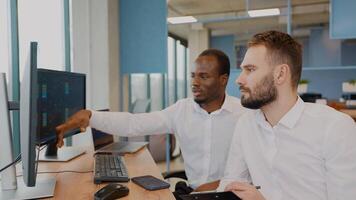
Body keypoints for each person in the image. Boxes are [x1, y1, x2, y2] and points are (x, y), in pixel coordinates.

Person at [56, 49, 247, 197]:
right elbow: (135, 123)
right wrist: (91, 117)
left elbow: (253, 170)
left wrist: (217, 186)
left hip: (231, 193)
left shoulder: (244, 115)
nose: (195, 82)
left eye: (203, 76)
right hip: (193, 193)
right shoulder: (182, 110)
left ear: (223, 80)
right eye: (193, 75)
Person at [218, 30, 356, 200]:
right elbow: (231, 182)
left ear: (281, 74)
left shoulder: (335, 127)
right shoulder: (246, 124)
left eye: (250, 69)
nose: (239, 80)